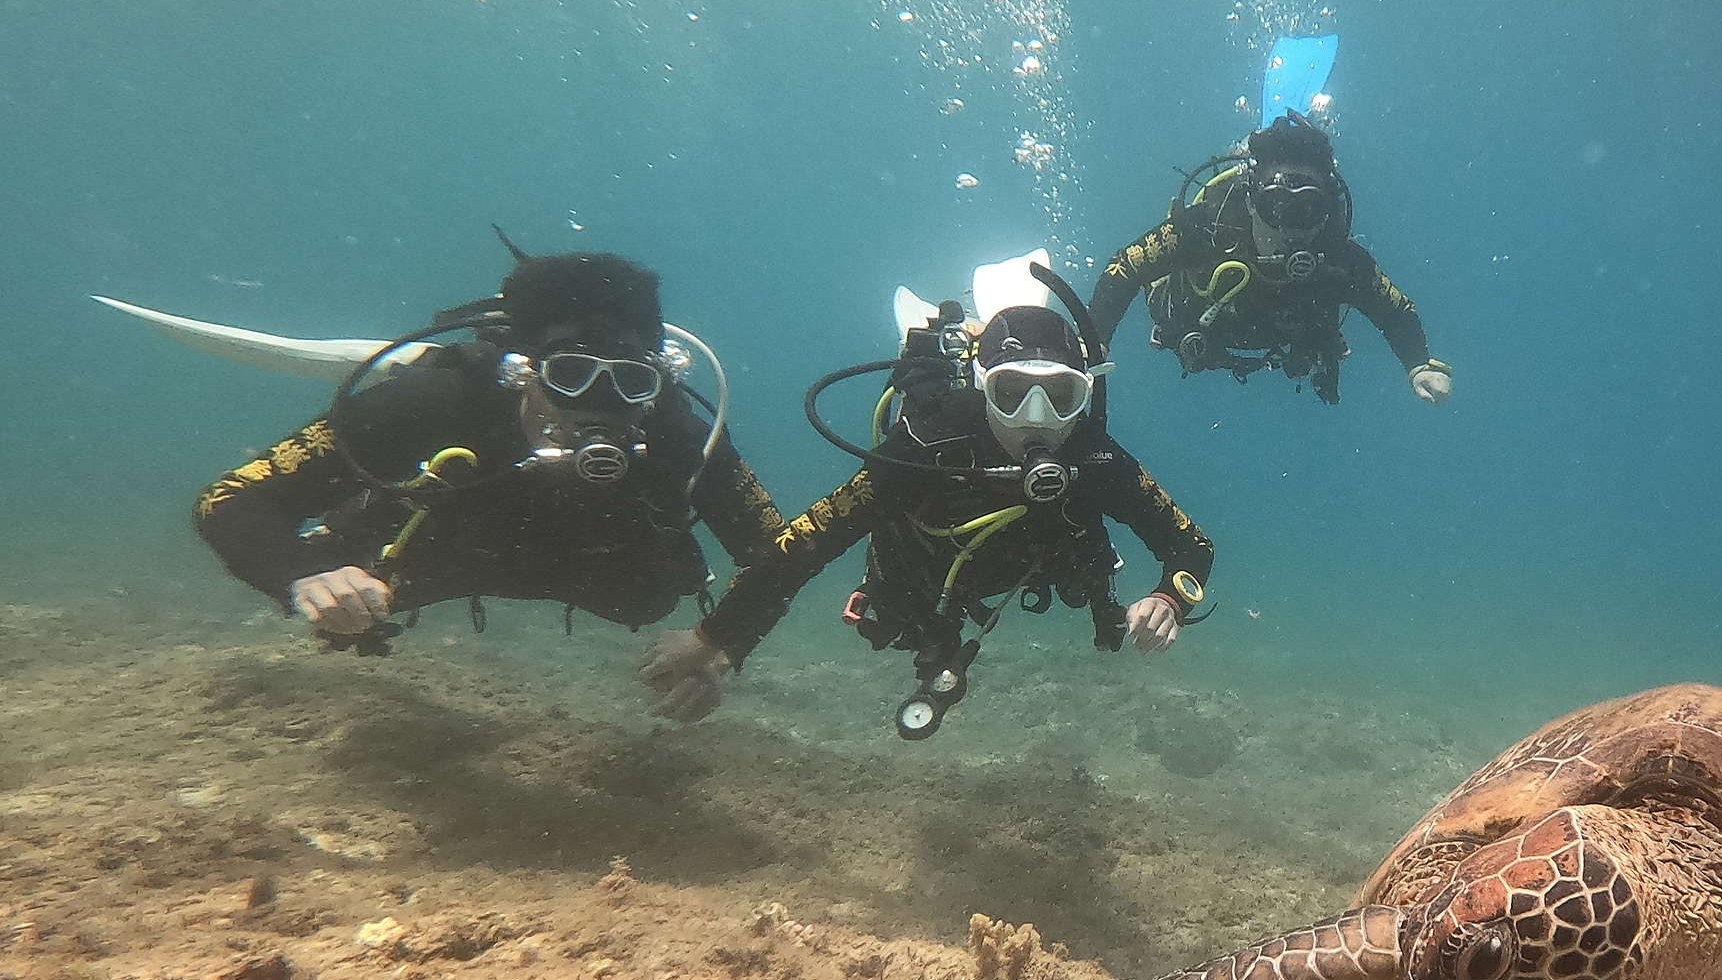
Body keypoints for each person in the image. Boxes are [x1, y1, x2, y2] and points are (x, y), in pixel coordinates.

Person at [194, 251, 787, 719]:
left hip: (606, 571)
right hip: (450, 550)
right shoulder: (441, 401)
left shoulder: (678, 430)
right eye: (571, 376)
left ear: (655, 380)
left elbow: (780, 553)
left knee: (653, 591)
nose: (600, 405)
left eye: (630, 382)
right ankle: (347, 551)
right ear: (522, 371)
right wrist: (298, 573)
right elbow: (231, 499)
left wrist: (719, 644)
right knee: (359, 576)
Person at [639, 280, 1213, 740]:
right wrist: (720, 641)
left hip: (1038, 563)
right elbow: (810, 541)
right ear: (982, 384)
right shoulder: (925, 446)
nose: (1037, 419)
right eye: (1012, 394)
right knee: (900, 617)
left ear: (1084, 394)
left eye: (1061, 397)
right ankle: (946, 334)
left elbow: (1192, 546)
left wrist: (1170, 598)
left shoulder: (1096, 457)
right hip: (929, 572)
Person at [1083, 110, 1452, 406]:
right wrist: (1094, 340)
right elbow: (1126, 267)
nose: (1291, 226)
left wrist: (1418, 364)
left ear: (1327, 210)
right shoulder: (1207, 227)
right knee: (1164, 298)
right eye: (1276, 204)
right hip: (1196, 324)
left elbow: (1395, 309)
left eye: (1308, 207)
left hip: (1290, 336)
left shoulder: (1340, 259)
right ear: (1250, 200)